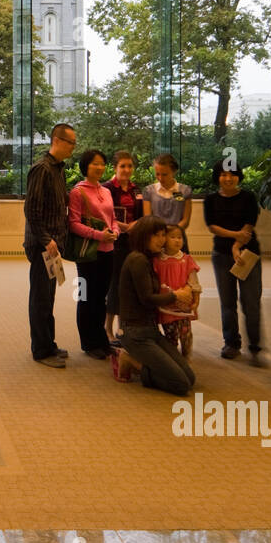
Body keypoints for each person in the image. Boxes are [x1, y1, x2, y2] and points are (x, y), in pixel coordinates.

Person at [117, 217, 196, 395]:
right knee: (181, 384)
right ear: (144, 236)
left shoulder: (150, 259)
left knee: (190, 378)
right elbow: (147, 299)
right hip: (135, 333)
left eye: (163, 235)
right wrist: (176, 295)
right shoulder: (137, 259)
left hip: (151, 331)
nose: (162, 240)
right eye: (156, 236)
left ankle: (142, 365)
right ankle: (131, 361)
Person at [23, 123, 77, 369]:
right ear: (58, 140)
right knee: (40, 298)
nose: (73, 148)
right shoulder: (42, 169)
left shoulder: (58, 170)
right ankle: (41, 350)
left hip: (54, 248)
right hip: (43, 247)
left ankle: (49, 343)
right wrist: (47, 240)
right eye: (71, 143)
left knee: (49, 296)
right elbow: (31, 211)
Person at [203, 159, 264, 363]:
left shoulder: (248, 197)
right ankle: (231, 343)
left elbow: (250, 224)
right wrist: (234, 238)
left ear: (238, 175)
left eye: (232, 174)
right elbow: (212, 226)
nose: (227, 178)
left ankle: (255, 346)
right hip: (221, 256)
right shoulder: (210, 199)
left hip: (248, 255)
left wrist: (237, 246)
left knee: (251, 302)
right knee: (227, 302)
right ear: (217, 177)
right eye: (223, 174)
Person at [69, 148, 118, 358]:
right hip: (88, 253)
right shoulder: (77, 192)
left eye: (102, 163)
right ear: (85, 167)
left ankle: (101, 340)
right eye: (94, 163)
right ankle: (89, 343)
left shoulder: (106, 191)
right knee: (87, 296)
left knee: (102, 297)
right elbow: (73, 224)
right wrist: (99, 235)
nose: (99, 167)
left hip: (108, 251)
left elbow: (113, 218)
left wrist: (115, 231)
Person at [102, 150, 144, 343]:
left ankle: (122, 328)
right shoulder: (107, 189)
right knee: (115, 285)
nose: (127, 170)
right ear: (115, 168)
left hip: (134, 243)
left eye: (129, 166)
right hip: (115, 242)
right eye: (122, 166)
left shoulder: (137, 189)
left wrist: (137, 226)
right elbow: (104, 217)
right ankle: (107, 328)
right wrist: (127, 227)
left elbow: (142, 214)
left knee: (128, 286)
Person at [154, 224, 201, 358]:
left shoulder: (187, 259)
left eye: (180, 237)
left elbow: (194, 282)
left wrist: (196, 300)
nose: (177, 240)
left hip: (183, 305)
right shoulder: (158, 260)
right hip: (166, 305)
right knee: (170, 334)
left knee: (185, 333)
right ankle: (173, 358)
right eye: (172, 237)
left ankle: (186, 357)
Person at [144, 153, 193, 254]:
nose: (161, 178)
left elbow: (185, 220)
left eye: (165, 174)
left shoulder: (183, 191)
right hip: (157, 241)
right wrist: (162, 236)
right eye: (157, 174)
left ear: (173, 172)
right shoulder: (149, 191)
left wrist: (172, 234)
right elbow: (148, 218)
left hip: (177, 241)